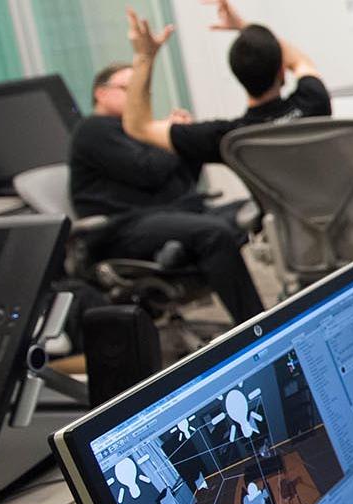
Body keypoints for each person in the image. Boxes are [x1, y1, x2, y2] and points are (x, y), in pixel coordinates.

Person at [69, 62, 264, 323]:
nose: (137, 97)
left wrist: (184, 141)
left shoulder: (135, 130)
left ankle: (179, 250)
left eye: (142, 91)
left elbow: (183, 183)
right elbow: (148, 170)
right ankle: (256, 326)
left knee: (255, 207)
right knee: (213, 233)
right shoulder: (94, 130)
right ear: (100, 93)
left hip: (170, 214)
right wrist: (168, 137)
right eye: (128, 89)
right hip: (124, 227)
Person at [121, 0, 329, 166]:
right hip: (342, 215)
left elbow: (138, 126)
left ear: (237, 76)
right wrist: (245, 28)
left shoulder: (230, 139)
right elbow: (300, 61)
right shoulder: (313, 101)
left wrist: (144, 58)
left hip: (278, 220)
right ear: (282, 72)